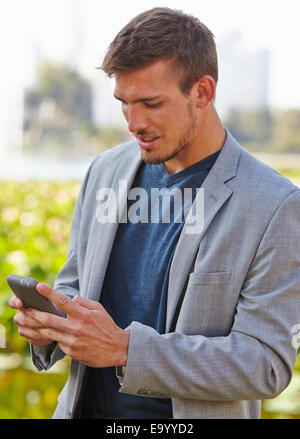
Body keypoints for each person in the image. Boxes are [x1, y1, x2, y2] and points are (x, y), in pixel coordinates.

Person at [9, 7, 300, 419]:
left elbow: (264, 364)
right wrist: (53, 325)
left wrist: (125, 350)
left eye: (150, 103)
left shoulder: (275, 205)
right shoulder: (103, 171)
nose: (134, 122)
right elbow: (74, 286)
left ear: (202, 92)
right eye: (124, 103)